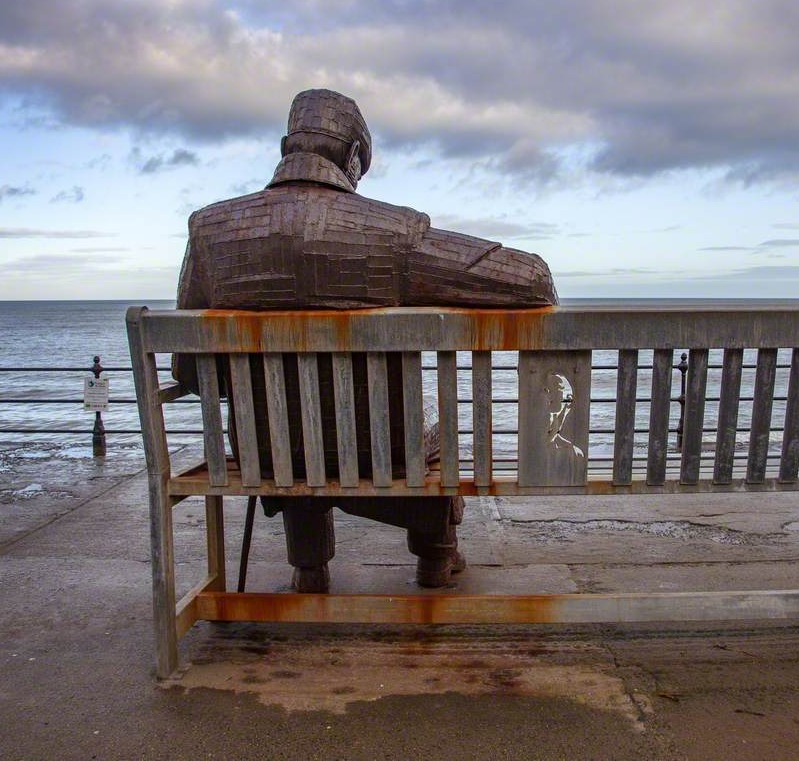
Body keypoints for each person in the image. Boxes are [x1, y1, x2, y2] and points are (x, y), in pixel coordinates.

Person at [175, 89, 557, 591]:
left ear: (287, 145)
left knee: (287, 427)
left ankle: (308, 568)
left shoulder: (209, 229)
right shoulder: (393, 232)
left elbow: (190, 372)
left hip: (264, 452)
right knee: (428, 436)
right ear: (353, 157)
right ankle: (435, 554)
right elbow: (532, 280)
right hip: (386, 451)